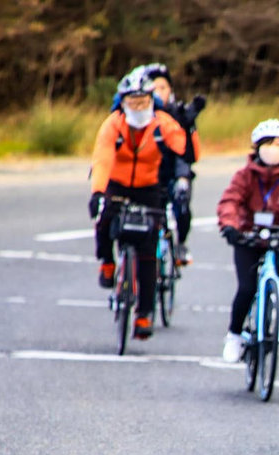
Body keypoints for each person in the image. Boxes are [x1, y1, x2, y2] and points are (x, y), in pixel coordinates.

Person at [90, 67, 187, 339]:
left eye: (143, 101)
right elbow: (102, 158)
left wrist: (188, 128)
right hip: (117, 184)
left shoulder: (161, 123)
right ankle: (107, 263)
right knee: (104, 218)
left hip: (148, 187)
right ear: (123, 103)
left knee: (148, 252)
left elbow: (186, 152)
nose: (138, 106)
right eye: (132, 102)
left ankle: (144, 314)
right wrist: (98, 192)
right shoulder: (113, 124)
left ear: (150, 101)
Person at [218, 119, 279, 363]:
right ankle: (234, 335)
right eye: (268, 143)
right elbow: (230, 200)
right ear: (257, 147)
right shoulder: (245, 175)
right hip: (247, 236)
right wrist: (229, 226)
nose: (274, 148)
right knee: (247, 287)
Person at [145, 63, 206, 265]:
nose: (159, 92)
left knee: (182, 204)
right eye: (155, 88)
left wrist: (182, 178)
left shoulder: (180, 113)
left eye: (163, 87)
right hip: (149, 175)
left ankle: (181, 243)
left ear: (170, 90)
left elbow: (187, 154)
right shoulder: (141, 113)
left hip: (173, 172)